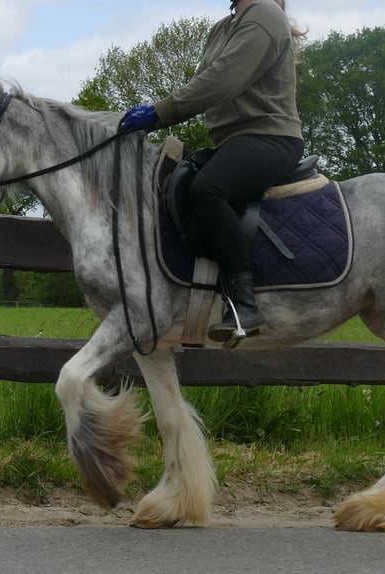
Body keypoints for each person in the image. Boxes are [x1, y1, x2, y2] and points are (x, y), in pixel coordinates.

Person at [120, 0, 306, 343]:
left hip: (270, 136)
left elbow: (221, 82)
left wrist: (158, 113)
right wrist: (156, 119)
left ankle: (244, 305)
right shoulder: (222, 28)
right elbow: (203, 86)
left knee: (208, 188)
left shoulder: (265, 13)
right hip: (231, 142)